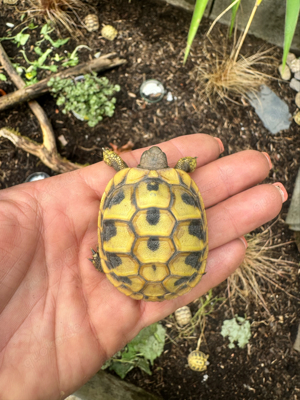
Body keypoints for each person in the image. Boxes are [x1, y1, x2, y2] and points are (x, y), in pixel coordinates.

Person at [0, 134, 287, 400]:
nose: (155, 153)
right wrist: (185, 166)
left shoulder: (123, 176)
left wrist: (114, 161)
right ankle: (110, 263)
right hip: (176, 275)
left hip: (128, 273)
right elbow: (188, 173)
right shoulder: (181, 175)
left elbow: (112, 179)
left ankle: (105, 263)